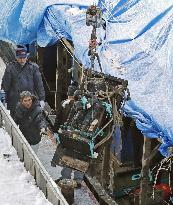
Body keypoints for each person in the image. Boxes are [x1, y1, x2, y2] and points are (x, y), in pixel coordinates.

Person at [51, 83, 84, 187]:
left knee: (67, 156)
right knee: (80, 157)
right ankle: (78, 180)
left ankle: (66, 179)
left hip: (68, 136)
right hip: (80, 137)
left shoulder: (64, 104)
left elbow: (58, 120)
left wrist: (55, 132)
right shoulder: (84, 105)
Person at [1, 45, 45, 118]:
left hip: (29, 102)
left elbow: (39, 85)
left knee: (29, 123)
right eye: (20, 58)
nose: (22, 60)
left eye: (24, 58)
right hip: (14, 102)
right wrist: (4, 101)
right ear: (16, 57)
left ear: (26, 57)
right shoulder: (10, 68)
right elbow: (5, 86)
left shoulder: (33, 68)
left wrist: (42, 99)